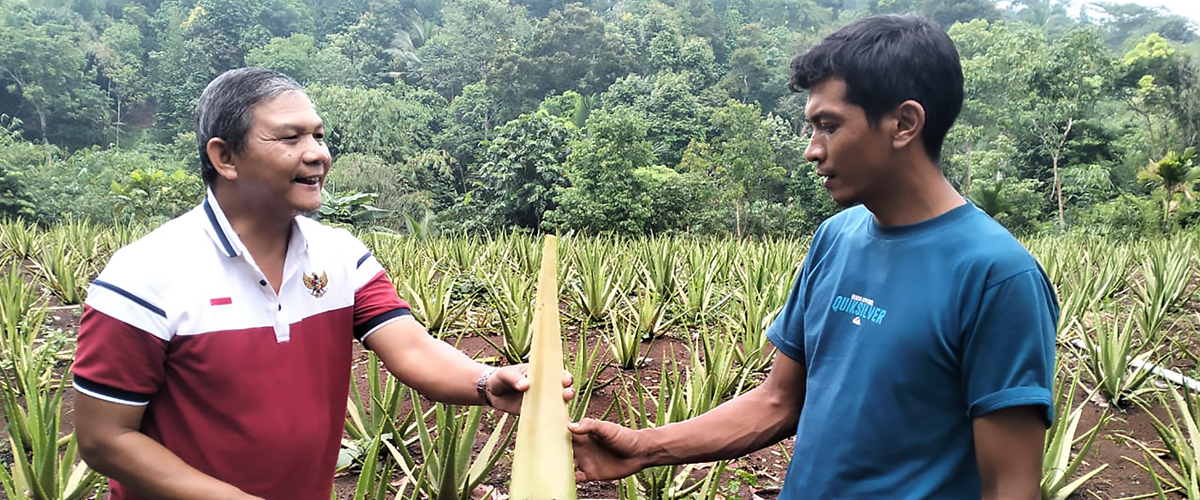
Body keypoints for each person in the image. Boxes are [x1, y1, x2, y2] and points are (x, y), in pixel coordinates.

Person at [570, 14, 1057, 499]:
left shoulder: (998, 277)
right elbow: (778, 401)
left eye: (828, 126)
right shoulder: (835, 238)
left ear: (904, 124)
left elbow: (1009, 487)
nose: (812, 150)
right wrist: (642, 446)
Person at [71, 67, 570, 500]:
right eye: (290, 139)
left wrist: (485, 382)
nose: (317, 155)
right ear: (225, 157)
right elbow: (105, 439)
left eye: (319, 136)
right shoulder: (144, 277)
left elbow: (411, 348)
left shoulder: (340, 256)